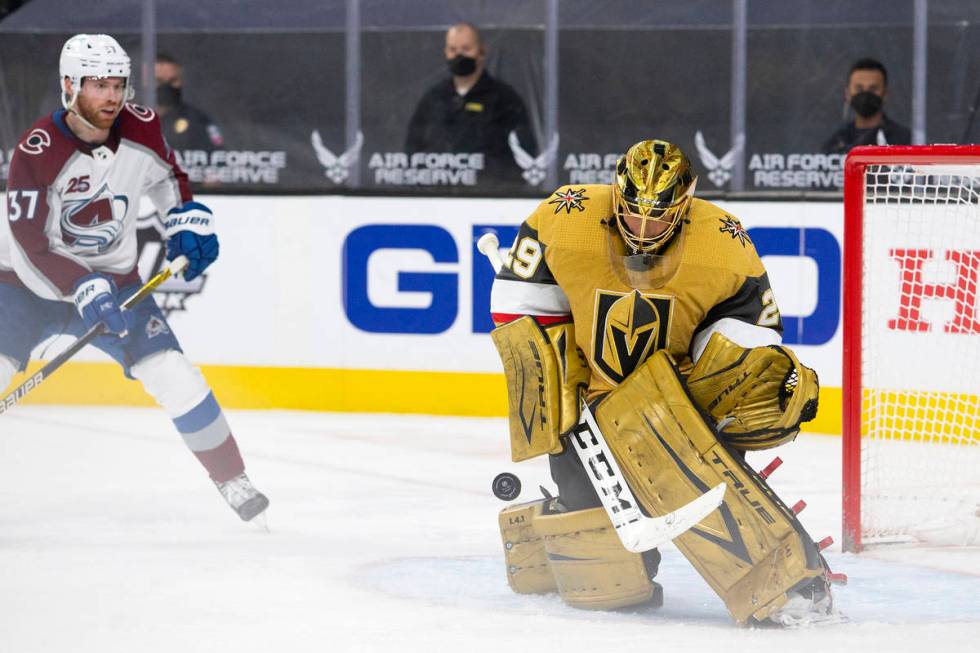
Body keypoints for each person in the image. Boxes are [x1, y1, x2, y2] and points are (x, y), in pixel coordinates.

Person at [488, 140, 841, 626]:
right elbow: (518, 306)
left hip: (671, 403)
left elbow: (751, 330)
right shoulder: (564, 217)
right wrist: (560, 383)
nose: (643, 229)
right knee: (611, 585)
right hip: (587, 401)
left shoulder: (722, 241)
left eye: (658, 218)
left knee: (704, 480)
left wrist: (721, 383)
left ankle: (790, 583)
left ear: (685, 204)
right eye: (633, 214)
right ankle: (551, 527)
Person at [0, 34, 268, 522]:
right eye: (98, 84)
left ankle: (233, 478)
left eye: (118, 83)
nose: (111, 96)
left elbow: (168, 178)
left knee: (174, 374)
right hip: (23, 285)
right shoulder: (36, 150)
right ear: (69, 85)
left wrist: (184, 221)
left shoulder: (141, 127)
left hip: (117, 286)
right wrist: (81, 285)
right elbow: (28, 242)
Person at [405, 22, 537, 187]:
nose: (459, 56)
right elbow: (413, 146)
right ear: (445, 52)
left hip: (489, 196)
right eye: (453, 50)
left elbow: (523, 151)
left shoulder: (504, 99)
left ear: (481, 51)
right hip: (437, 196)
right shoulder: (434, 98)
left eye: (466, 49)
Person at [822, 57, 911, 154]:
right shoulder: (836, 143)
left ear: (885, 93)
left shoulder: (904, 142)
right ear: (847, 93)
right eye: (859, 89)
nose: (866, 94)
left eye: (873, 89)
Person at [155, 52, 224, 154]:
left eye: (173, 81)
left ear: (181, 81)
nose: (166, 87)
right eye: (159, 81)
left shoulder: (198, 120)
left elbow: (216, 157)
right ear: (145, 80)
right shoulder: (132, 117)